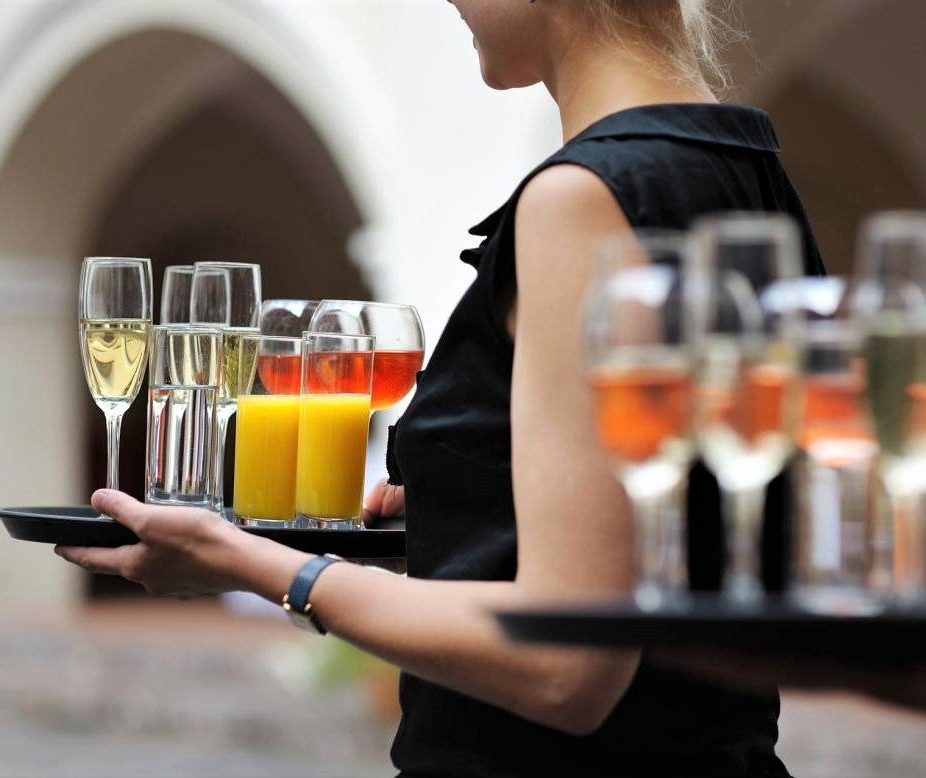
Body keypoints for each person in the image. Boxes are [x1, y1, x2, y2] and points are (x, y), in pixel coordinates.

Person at [56, 1, 826, 775]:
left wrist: (252, 564)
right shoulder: (744, 168)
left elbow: (570, 667)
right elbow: (676, 545)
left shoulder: (583, 197)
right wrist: (470, 516)